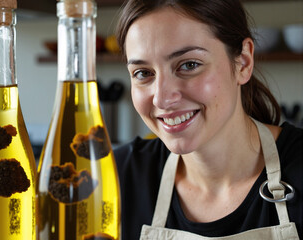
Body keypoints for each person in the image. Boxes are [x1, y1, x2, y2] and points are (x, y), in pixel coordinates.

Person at [113, 0, 303, 239]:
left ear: (243, 62)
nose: (162, 99)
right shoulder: (117, 177)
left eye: (189, 65)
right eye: (143, 73)